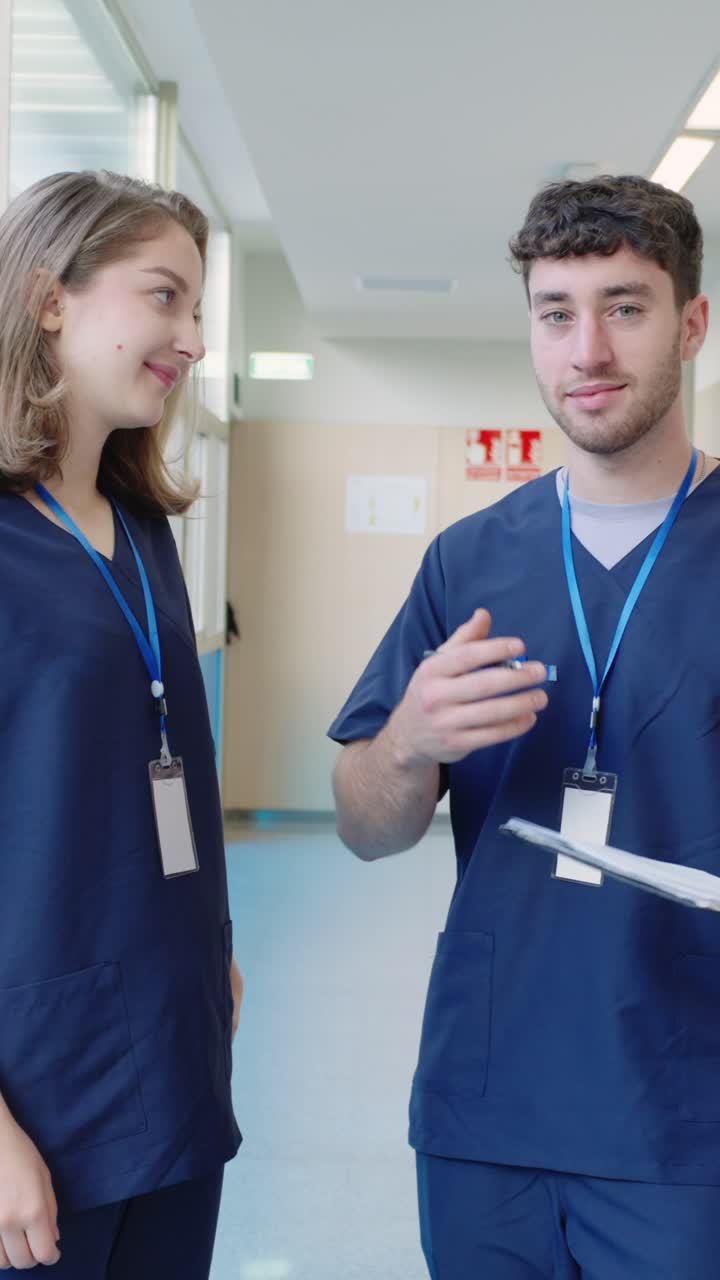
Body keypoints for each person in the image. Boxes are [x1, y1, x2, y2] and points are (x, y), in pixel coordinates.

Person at [329, 175, 720, 1279]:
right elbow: (366, 825)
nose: (587, 346)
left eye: (626, 305)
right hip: (488, 1105)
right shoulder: (468, 561)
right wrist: (406, 739)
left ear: (693, 322)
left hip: (686, 1116)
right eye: (556, 311)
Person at [0, 170, 242, 1276]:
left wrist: (211, 948)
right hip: (36, 1090)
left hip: (170, 1052)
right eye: (164, 297)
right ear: (51, 298)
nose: (190, 339)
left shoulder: (143, 531)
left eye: (196, 310)